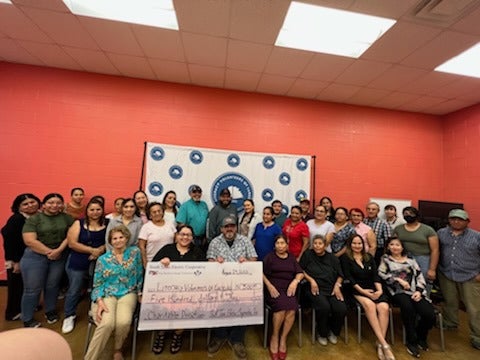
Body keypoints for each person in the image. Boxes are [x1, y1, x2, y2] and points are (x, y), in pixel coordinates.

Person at [84, 225, 143, 360]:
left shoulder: (135, 253)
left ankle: (117, 349)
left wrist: (140, 293)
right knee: (107, 324)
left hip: (129, 292)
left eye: (121, 237)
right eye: (114, 238)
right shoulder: (103, 259)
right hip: (107, 294)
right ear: (110, 241)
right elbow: (97, 283)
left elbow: (139, 274)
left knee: (123, 322)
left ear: (126, 238)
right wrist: (99, 302)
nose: (118, 240)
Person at [206, 216, 257, 360]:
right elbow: (209, 261)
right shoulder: (215, 242)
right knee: (217, 305)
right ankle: (220, 336)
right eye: (226, 226)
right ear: (222, 229)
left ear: (236, 227)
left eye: (232, 226)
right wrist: (216, 262)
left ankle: (237, 339)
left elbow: (254, 259)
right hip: (220, 285)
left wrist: (246, 261)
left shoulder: (245, 241)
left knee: (243, 306)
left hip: (241, 286)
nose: (229, 229)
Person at [21, 193, 75, 327]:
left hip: (58, 255)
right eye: (51, 202)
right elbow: (29, 240)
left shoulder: (67, 218)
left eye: (58, 202)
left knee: (52, 286)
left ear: (62, 205)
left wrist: (58, 251)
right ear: (43, 204)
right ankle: (27, 318)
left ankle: (50, 310)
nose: (54, 205)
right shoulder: (34, 219)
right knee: (32, 289)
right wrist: (49, 252)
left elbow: (71, 236)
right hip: (35, 256)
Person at [150, 224, 206, 354]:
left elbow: (204, 274)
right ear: (176, 236)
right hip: (165, 292)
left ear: (192, 238)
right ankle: (161, 334)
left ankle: (177, 335)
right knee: (162, 304)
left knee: (185, 306)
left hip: (188, 294)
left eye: (188, 235)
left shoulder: (197, 252)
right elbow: (152, 271)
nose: (185, 237)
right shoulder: (166, 249)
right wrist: (160, 265)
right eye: (182, 234)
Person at [378, 236, 435, 358]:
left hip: (415, 291)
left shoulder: (411, 259)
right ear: (388, 246)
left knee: (429, 314)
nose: (394, 247)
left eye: (397, 245)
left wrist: (419, 291)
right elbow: (381, 274)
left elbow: (419, 276)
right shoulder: (385, 259)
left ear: (402, 247)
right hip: (396, 291)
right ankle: (412, 341)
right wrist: (398, 280)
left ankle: (421, 336)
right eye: (392, 244)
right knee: (408, 309)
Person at [341, 234, 394, 360]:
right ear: (350, 245)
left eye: (359, 243)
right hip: (356, 289)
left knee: (384, 308)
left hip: (373, 287)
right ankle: (385, 344)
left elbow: (375, 276)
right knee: (370, 306)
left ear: (363, 245)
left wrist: (379, 290)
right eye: (354, 243)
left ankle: (379, 342)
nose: (357, 246)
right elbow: (350, 278)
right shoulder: (345, 258)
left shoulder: (369, 257)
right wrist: (364, 292)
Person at [62, 197, 107, 334]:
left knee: (97, 289)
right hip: (78, 260)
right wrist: (91, 250)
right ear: (87, 211)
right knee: (74, 289)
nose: (95, 212)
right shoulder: (78, 223)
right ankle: (69, 316)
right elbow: (72, 243)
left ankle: (94, 312)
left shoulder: (108, 223)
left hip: (100, 262)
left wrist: (100, 250)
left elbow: (113, 240)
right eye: (92, 209)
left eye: (98, 209)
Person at [437, 209, 480, 350]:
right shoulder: (441, 233)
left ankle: (477, 336)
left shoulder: (476, 236)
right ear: (449, 220)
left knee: (474, 308)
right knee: (450, 301)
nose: (456, 221)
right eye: (453, 219)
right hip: (447, 273)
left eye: (460, 219)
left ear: (467, 221)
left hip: (470, 276)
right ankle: (450, 323)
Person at [300, 235, 346, 346]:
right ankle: (322, 333)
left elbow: (340, 275)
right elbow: (301, 270)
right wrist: (311, 280)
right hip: (314, 288)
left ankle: (333, 331)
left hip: (331, 287)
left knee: (341, 308)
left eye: (320, 243)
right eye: (315, 243)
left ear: (325, 245)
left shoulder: (332, 258)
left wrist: (337, 285)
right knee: (324, 307)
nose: (317, 246)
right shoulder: (307, 255)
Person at [263, 234, 304, 360]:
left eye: (282, 243)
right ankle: (274, 337)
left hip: (289, 290)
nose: (280, 246)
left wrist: (295, 282)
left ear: (287, 245)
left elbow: (300, 273)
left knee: (292, 309)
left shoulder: (291, 258)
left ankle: (283, 339)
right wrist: (269, 286)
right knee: (281, 309)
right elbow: (261, 273)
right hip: (274, 290)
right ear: (274, 245)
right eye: (278, 243)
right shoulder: (269, 257)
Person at [1, 193, 41, 321]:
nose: (30, 205)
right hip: (17, 258)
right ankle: (13, 312)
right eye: (25, 204)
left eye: (32, 202)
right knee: (16, 286)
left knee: (29, 285)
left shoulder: (39, 215)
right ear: (19, 207)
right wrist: (15, 261)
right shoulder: (17, 219)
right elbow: (9, 240)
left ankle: (28, 306)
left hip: (32, 256)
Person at [393, 206, 439, 286]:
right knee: (405, 281)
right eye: (405, 214)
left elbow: (435, 250)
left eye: (411, 213)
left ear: (416, 215)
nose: (408, 215)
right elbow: (393, 244)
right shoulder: (398, 229)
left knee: (422, 282)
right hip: (404, 258)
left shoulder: (428, 230)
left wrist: (432, 269)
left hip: (423, 259)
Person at [138, 202, 176, 268]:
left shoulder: (170, 225)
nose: (157, 213)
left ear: (163, 212)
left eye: (159, 211)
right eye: (154, 212)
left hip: (170, 262)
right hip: (153, 262)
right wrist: (145, 263)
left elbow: (176, 241)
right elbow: (142, 247)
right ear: (150, 215)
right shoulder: (146, 227)